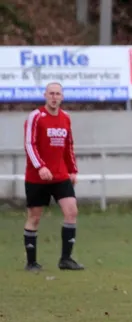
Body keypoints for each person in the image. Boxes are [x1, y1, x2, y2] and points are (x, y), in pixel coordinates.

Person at [23, 82, 84, 272]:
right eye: (51, 93)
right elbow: (29, 144)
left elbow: (69, 146)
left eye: (58, 93)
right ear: (45, 95)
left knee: (71, 211)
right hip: (37, 177)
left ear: (62, 97)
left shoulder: (65, 118)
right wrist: (40, 166)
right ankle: (31, 262)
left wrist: (73, 170)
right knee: (34, 217)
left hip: (60, 175)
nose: (54, 97)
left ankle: (66, 259)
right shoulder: (36, 116)